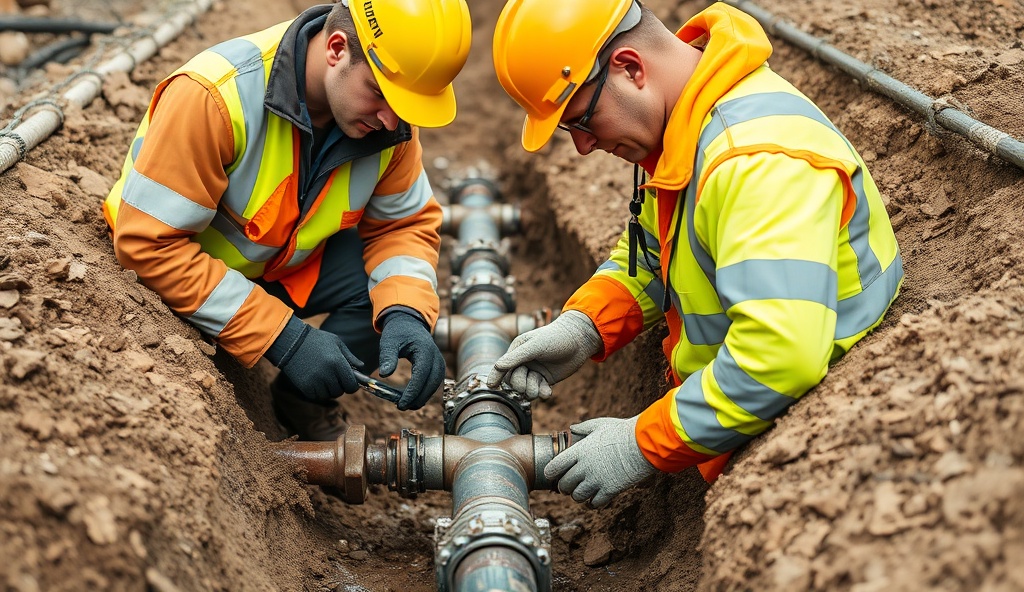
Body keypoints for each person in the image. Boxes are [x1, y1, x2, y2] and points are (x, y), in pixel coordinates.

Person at [489, 0, 903, 508]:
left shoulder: (755, 164)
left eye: (582, 121)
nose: (583, 146)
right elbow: (649, 254)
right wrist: (584, 327)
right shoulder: (688, 128)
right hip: (745, 401)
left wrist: (644, 441)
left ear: (629, 68)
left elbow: (779, 357)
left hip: (825, 424)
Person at [103, 0, 472, 440]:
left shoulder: (389, 126)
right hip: (177, 273)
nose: (391, 120)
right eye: (381, 94)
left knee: (386, 290)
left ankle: (300, 402)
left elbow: (403, 225)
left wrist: (406, 312)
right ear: (336, 49)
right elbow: (150, 244)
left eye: (406, 106)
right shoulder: (215, 96)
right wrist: (284, 337)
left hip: (275, 267)